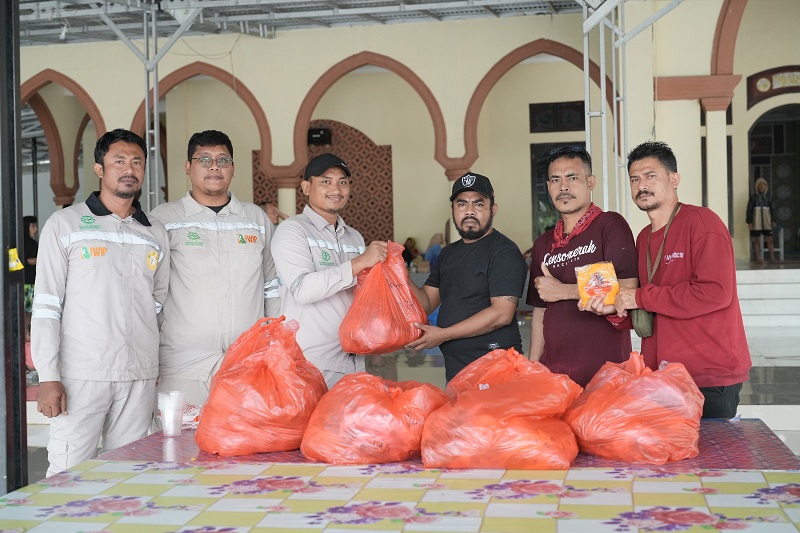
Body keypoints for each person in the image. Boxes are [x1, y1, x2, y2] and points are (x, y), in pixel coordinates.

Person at [31, 129, 169, 476]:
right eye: (119, 161)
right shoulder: (66, 223)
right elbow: (48, 304)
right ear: (99, 169)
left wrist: (155, 365)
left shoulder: (154, 232)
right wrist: (48, 376)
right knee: (67, 475)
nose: (129, 169)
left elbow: (159, 302)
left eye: (137, 162)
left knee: (130, 475)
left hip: (138, 375)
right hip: (81, 375)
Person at [611, 140, 751, 419]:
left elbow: (715, 292)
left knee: (713, 460)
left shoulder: (702, 222)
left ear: (674, 179)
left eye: (651, 176)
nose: (641, 185)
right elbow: (645, 303)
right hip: (662, 374)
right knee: (673, 461)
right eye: (634, 179)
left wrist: (638, 297)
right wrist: (611, 306)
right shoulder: (643, 237)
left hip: (708, 375)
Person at [150, 130, 280, 407]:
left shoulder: (255, 218)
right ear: (188, 167)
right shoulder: (163, 219)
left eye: (222, 160)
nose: (214, 167)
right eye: (204, 159)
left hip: (247, 361)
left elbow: (272, 285)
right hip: (182, 363)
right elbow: (150, 292)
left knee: (243, 444)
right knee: (181, 445)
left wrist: (272, 342)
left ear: (232, 168)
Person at [271, 153, 388, 389]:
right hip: (310, 363)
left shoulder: (353, 236)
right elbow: (303, 290)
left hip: (353, 358)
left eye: (342, 182)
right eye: (326, 181)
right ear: (306, 187)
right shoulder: (293, 230)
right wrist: (360, 263)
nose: (336, 188)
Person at [527, 146, 638, 387]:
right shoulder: (544, 243)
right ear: (548, 187)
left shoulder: (610, 225)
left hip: (606, 374)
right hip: (554, 375)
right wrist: (533, 367)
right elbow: (540, 311)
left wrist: (563, 291)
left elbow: (627, 288)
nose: (563, 186)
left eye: (572, 177)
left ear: (590, 182)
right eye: (555, 179)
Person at [406, 172, 528, 382]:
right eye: (462, 204)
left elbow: (502, 314)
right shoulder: (448, 254)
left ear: (493, 209)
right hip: (457, 370)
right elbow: (426, 303)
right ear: (453, 210)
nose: (469, 211)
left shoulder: (504, 251)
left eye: (478, 204)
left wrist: (443, 334)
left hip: (496, 369)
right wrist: (400, 273)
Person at [746, 177, 777, 264]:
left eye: (763, 184)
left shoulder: (769, 197)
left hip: (767, 221)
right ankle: (758, 258)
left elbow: (773, 209)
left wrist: (773, 220)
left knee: (770, 239)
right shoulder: (753, 198)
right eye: (760, 184)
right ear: (757, 186)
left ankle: (772, 258)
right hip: (757, 221)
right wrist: (750, 222)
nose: (761, 186)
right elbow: (749, 210)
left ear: (766, 186)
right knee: (756, 240)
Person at [22, 215, 38, 313]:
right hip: (25, 282)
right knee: (26, 312)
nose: (36, 229)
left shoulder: (34, 243)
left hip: (32, 281)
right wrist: (27, 261)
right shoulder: (19, 243)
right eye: (33, 226)